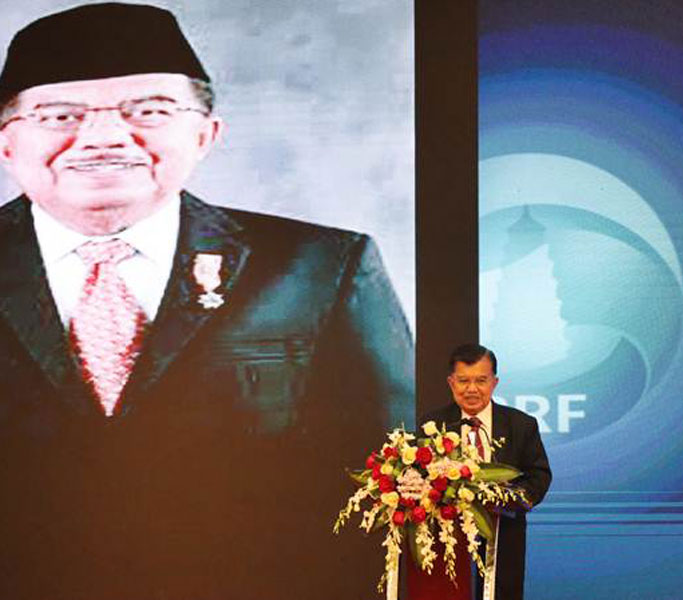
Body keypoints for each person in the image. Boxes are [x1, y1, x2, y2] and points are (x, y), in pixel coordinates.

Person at [0, 4, 413, 599]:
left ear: (205, 134)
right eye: (59, 114)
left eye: (149, 110)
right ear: (8, 143)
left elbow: (391, 489)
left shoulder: (321, 268)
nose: (105, 136)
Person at [419, 343, 551, 600]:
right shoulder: (432, 425)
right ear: (451, 382)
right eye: (463, 381)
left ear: (494, 382)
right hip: (447, 541)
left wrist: (506, 500)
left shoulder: (520, 424)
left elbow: (539, 476)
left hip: (504, 538)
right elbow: (418, 476)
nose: (471, 389)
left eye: (481, 380)